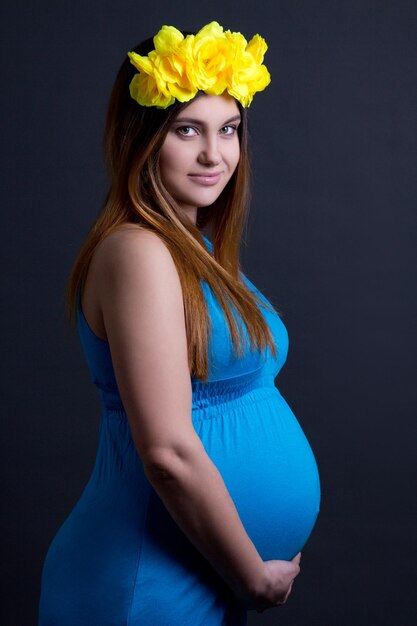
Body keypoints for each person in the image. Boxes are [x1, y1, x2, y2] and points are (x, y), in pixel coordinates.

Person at [38, 21, 320, 625]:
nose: (213, 155)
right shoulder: (136, 250)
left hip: (202, 571)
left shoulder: (201, 250)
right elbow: (165, 449)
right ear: (142, 138)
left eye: (229, 130)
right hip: (145, 578)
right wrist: (252, 576)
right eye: (187, 130)